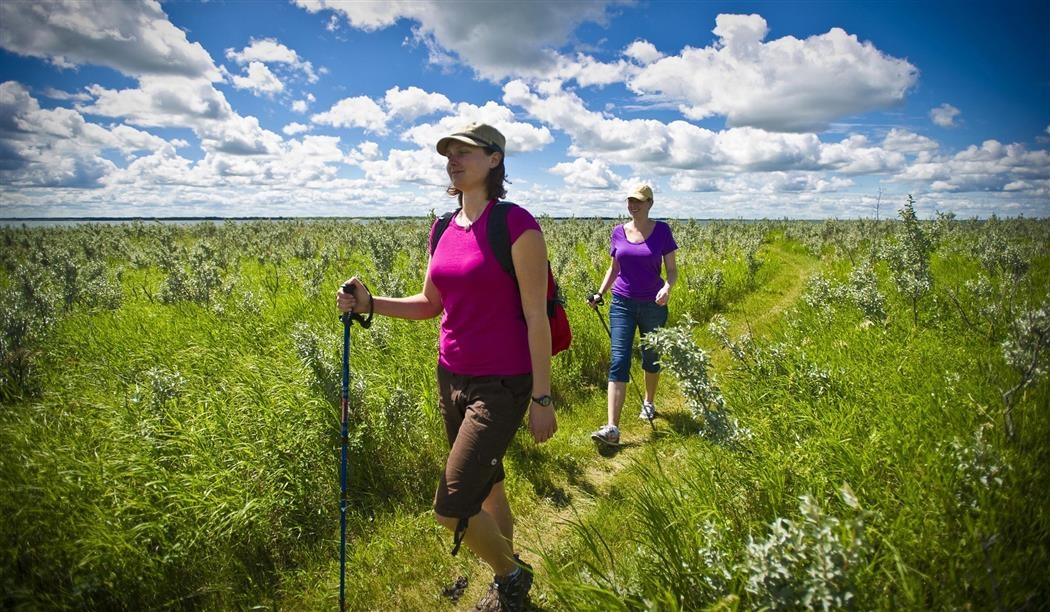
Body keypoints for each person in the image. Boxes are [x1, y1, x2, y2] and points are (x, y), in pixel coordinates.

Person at [337, 122, 556, 612]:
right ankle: (506, 583)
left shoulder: (517, 225)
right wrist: (371, 303)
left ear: (495, 160)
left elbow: (537, 316)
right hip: (451, 376)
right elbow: (429, 304)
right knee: (490, 485)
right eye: (449, 153)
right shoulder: (442, 228)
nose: (453, 160)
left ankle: (513, 575)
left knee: (452, 505)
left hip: (502, 383)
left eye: (465, 152)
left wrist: (542, 397)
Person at [587, 184, 678, 446]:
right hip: (622, 304)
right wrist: (600, 293)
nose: (633, 205)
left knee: (651, 357)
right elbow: (614, 268)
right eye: (630, 201)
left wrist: (667, 288)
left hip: (653, 304)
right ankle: (612, 428)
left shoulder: (662, 231)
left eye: (639, 201)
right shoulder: (618, 231)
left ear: (650, 203)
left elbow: (672, 270)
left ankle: (649, 402)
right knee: (619, 360)